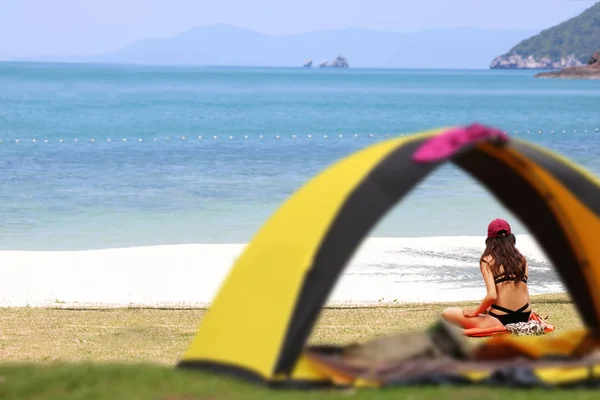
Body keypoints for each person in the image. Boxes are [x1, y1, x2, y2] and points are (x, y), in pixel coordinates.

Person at [442, 218, 531, 330]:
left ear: (489, 240)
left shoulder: (487, 261)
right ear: (511, 238)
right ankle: (486, 311)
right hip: (524, 316)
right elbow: (525, 291)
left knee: (447, 312)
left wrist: (475, 312)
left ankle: (486, 316)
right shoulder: (522, 259)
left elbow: (492, 296)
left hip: (500, 319)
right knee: (486, 307)